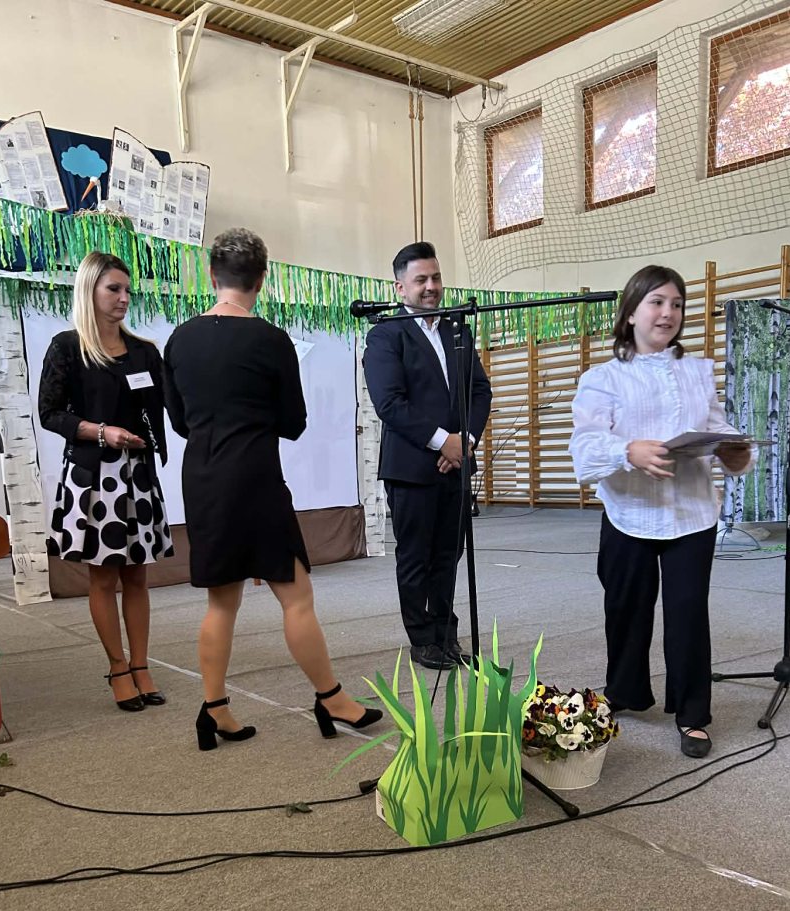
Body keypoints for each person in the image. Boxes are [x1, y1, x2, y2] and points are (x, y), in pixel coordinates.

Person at [163, 227, 382, 751]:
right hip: (256, 477)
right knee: (297, 597)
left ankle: (215, 709)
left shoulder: (179, 340)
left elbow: (179, 421)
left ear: (212, 276)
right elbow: (294, 423)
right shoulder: (271, 340)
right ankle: (331, 698)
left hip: (204, 479)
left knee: (221, 602)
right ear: (261, 279)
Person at [569, 264, 754, 758]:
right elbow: (585, 450)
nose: (668, 313)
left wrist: (734, 452)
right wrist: (627, 450)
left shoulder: (698, 373)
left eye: (676, 304)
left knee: (688, 612)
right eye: (657, 302)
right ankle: (625, 691)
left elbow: (718, 429)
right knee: (625, 608)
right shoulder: (602, 378)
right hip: (628, 511)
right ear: (631, 312)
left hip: (691, 513)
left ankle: (692, 714)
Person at [38, 251, 173, 712]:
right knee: (104, 578)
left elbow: (172, 405)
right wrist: (100, 432)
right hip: (95, 476)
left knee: (138, 576)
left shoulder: (144, 351)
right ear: (89, 290)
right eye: (113, 289)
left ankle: (141, 666)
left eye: (127, 290)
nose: (124, 298)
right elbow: (49, 413)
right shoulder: (67, 347)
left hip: (138, 474)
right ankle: (117, 668)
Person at [363, 241, 492, 670]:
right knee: (416, 557)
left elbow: (479, 390)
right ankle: (422, 639)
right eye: (421, 280)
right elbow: (389, 403)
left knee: (448, 555)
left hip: (456, 464)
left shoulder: (457, 329)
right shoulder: (386, 334)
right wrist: (442, 441)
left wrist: (465, 441)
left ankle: (445, 633)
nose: (431, 286)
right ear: (400, 287)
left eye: (436, 277)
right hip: (412, 468)